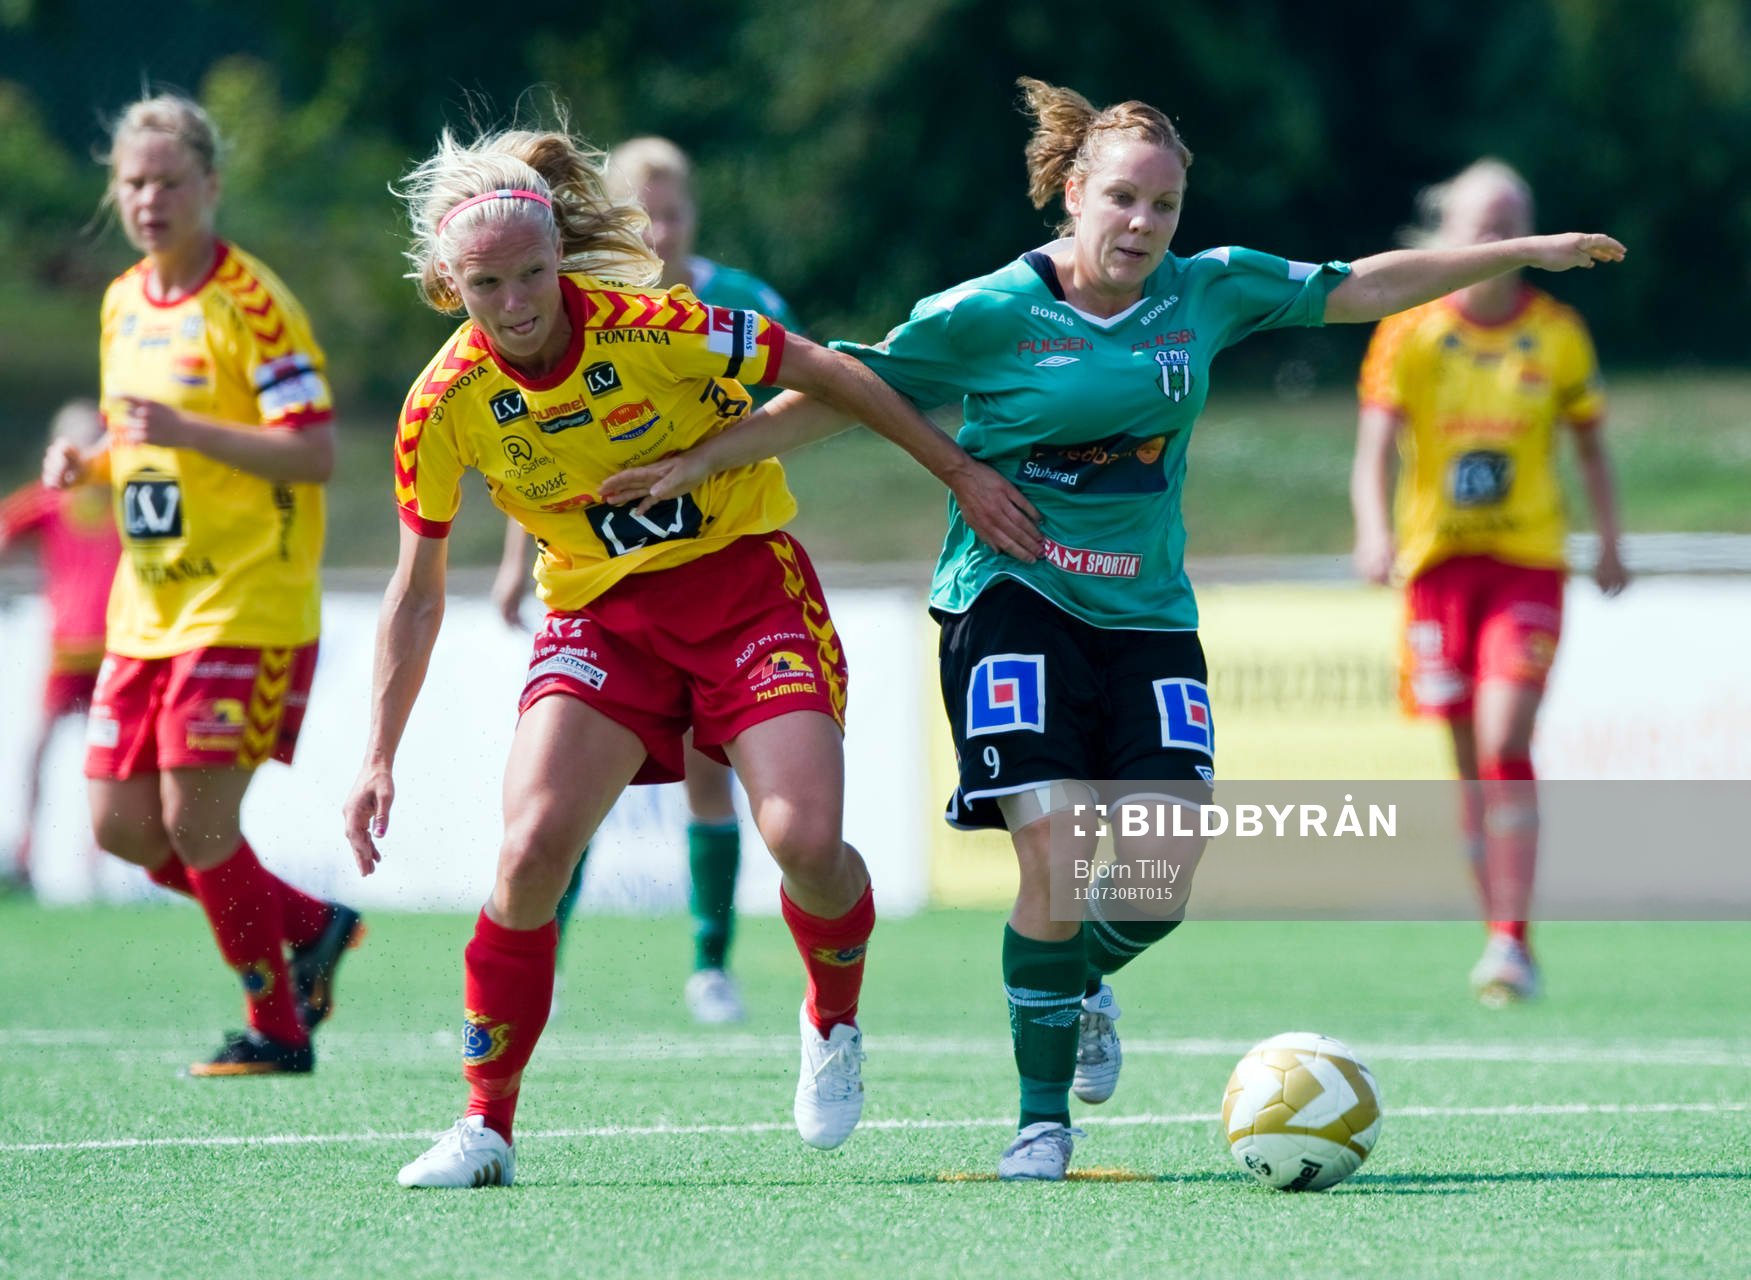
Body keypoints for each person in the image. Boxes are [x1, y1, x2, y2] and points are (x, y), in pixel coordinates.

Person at [600, 78, 1624, 1180]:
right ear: (1073, 194)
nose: (1142, 224)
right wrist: (702, 461)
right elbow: (845, 386)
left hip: (1147, 614)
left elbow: (1365, 284)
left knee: (1159, 876)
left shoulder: (1208, 289)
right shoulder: (990, 311)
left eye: (1163, 205)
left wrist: (1524, 250)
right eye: (1123, 199)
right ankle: (1040, 1122)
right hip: (1011, 597)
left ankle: (1076, 980)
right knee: (1052, 849)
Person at [346, 115, 1036, 1190]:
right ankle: (485, 1125)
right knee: (527, 853)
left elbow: (828, 370)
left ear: (559, 256)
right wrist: (377, 754)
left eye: (532, 275)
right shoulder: (440, 405)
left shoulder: (653, 323)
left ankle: (831, 1016)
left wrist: (956, 470)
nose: (517, 304)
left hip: (744, 593)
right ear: (448, 285)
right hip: (600, 621)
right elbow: (415, 591)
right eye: (486, 286)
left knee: (804, 842)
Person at [42, 93, 363, 1075]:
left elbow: (313, 452)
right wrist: (86, 462)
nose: (150, 199)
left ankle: (276, 1026)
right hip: (146, 610)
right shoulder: (123, 301)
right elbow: (135, 438)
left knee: (197, 821)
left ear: (211, 186)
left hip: (245, 602)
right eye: (134, 182)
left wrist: (187, 431)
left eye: (170, 181)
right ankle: (310, 923)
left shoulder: (252, 305)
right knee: (123, 829)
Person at [489, 136, 808, 1025]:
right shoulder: (573, 304)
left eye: (674, 214)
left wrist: (714, 463)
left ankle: (710, 966)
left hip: (715, 573)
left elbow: (802, 401)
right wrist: (515, 564)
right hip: (604, 587)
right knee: (573, 791)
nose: (660, 234)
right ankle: (546, 960)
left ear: (693, 214)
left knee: (710, 771)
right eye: (644, 217)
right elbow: (534, 457)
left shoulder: (740, 303)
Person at [1350, 158, 1628, 1006]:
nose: (1498, 235)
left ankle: (1512, 938)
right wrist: (1372, 530)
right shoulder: (1409, 330)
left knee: (1506, 736)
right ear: (1448, 232)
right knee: (1469, 760)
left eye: (1512, 219)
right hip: (1436, 570)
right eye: (1482, 221)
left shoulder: (1557, 333)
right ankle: (1497, 934)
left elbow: (1589, 446)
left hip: (1526, 565)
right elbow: (1373, 448)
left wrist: (1610, 540)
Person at [0, 401, 121, 893]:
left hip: (117, 650)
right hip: (68, 650)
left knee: (110, 762)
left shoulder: (125, 498)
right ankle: (25, 852)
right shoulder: (51, 501)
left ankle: (97, 864)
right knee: (39, 747)